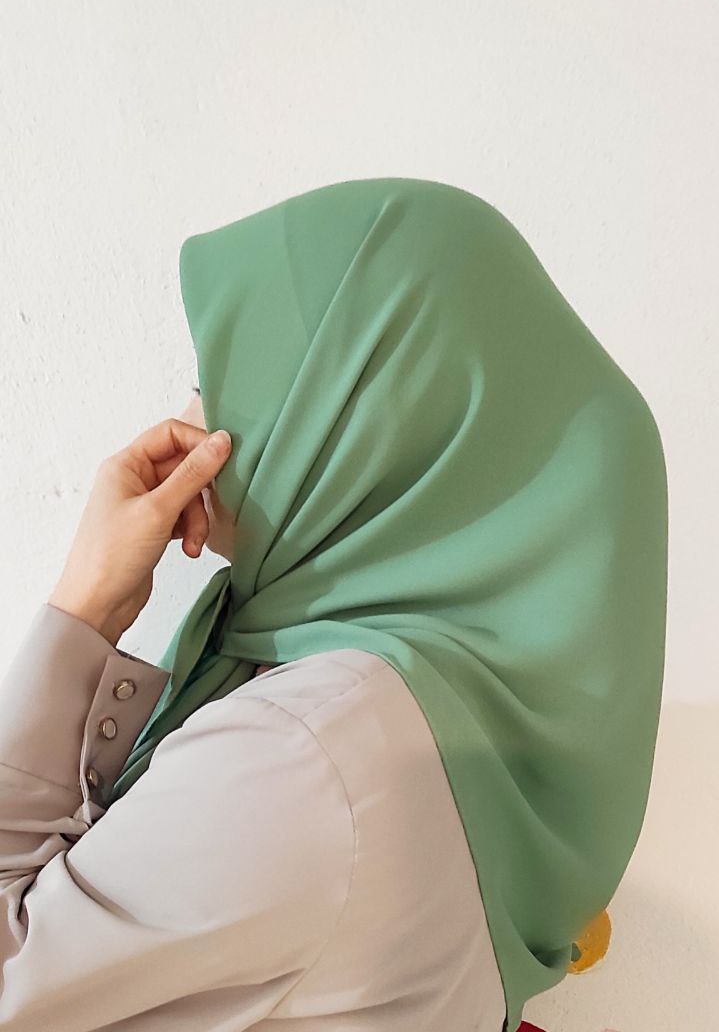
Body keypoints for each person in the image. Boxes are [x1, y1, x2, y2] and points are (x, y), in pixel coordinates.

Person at [0, 176, 668, 1032]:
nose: (191, 416)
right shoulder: (433, 714)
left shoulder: (305, 749)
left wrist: (83, 609)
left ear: (354, 408)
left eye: (223, 375)